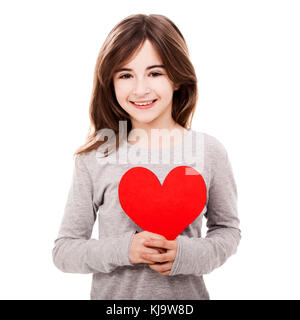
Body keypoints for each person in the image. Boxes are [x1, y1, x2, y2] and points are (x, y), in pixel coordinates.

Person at [52, 13, 241, 300]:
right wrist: (125, 250)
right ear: (111, 83)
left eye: (155, 73)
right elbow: (64, 251)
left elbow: (227, 231)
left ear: (177, 78)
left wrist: (186, 254)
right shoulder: (95, 158)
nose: (140, 89)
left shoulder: (209, 152)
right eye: (126, 75)